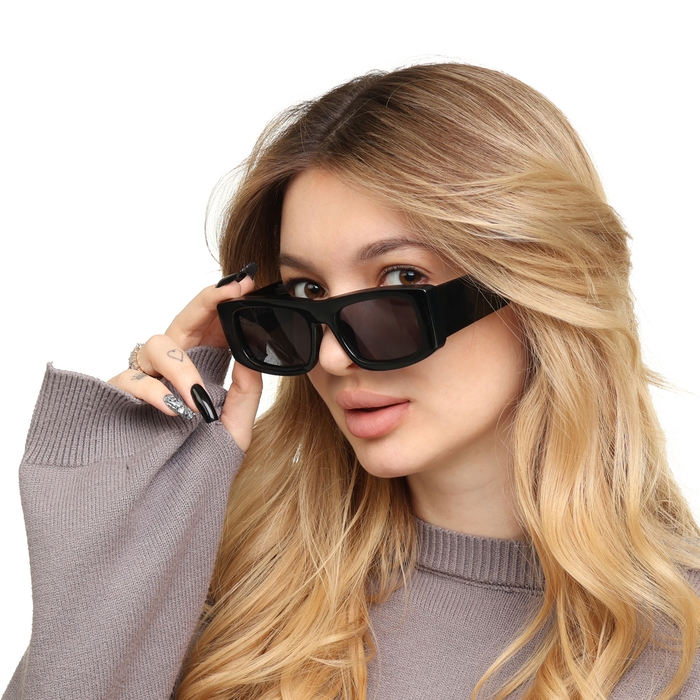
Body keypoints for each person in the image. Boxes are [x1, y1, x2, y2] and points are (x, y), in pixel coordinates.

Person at [4, 63, 700, 700]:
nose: (334, 358)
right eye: (305, 291)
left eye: (400, 280)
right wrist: (137, 511)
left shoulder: (680, 652)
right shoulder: (221, 587)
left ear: (540, 286)